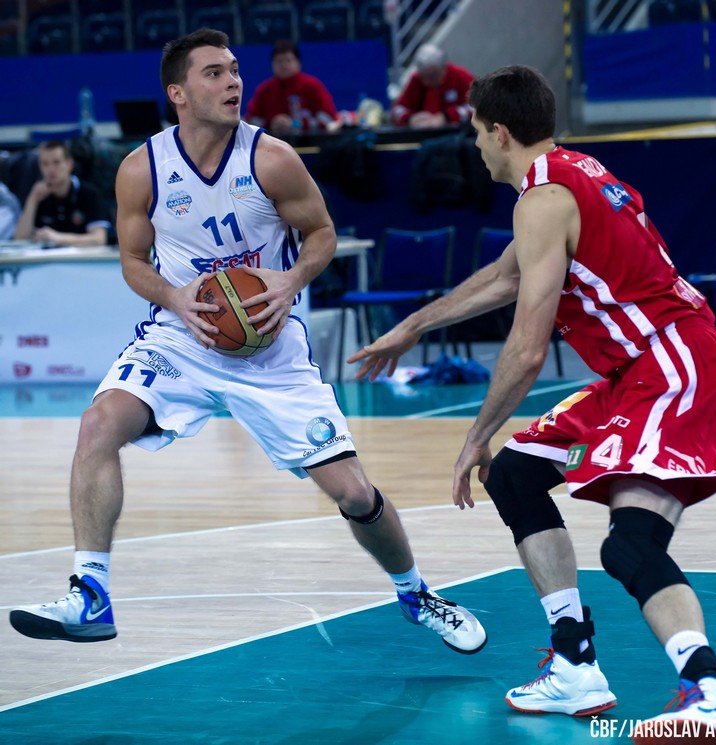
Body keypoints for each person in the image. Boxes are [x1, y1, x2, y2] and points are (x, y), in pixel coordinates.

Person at [8, 29, 486, 658]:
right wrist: (174, 297)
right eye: (213, 72)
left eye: (234, 70)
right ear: (178, 93)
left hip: (270, 349)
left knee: (353, 493)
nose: (233, 81)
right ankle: (90, 592)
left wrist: (290, 281)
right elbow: (132, 261)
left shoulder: (272, 158)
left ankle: (415, 592)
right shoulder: (141, 169)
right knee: (98, 424)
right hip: (182, 338)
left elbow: (321, 233)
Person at [350, 66, 716, 740]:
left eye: (476, 132)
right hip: (637, 372)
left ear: (500, 132)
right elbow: (504, 276)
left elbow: (526, 347)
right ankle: (574, 663)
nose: (474, 145)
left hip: (672, 365)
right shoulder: (571, 173)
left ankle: (711, 695)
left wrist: (474, 434)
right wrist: (414, 326)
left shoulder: (543, 199)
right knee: (516, 474)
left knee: (630, 545)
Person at [13, 140, 110, 247]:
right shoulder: (38, 194)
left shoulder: (89, 194)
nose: (50, 169)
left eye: (56, 162)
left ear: (69, 164)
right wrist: (32, 200)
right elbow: (20, 239)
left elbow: (99, 239)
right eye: (45, 164)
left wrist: (58, 238)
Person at [244, 39, 340, 136]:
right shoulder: (264, 90)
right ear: (272, 64)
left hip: (310, 141)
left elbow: (329, 119)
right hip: (272, 141)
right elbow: (250, 121)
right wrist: (270, 123)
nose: (284, 65)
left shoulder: (312, 86)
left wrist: (295, 124)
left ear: (298, 63)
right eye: (279, 61)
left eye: (288, 60)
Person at [390, 44, 473, 129]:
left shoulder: (460, 76)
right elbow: (397, 109)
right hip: (422, 133)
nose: (426, 82)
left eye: (432, 76)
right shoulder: (416, 80)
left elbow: (477, 108)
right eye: (423, 77)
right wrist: (410, 119)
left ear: (444, 68)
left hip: (456, 132)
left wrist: (446, 117)